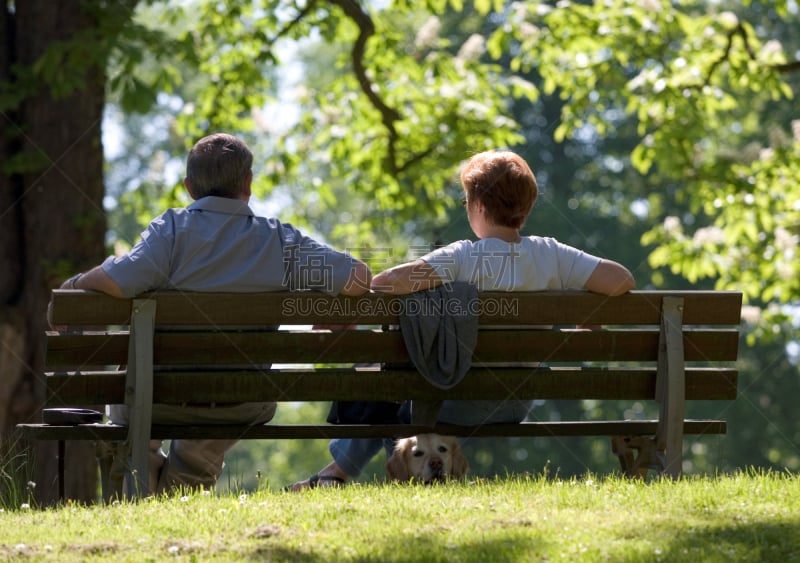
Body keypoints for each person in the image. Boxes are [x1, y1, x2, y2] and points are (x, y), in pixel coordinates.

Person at [287, 149, 634, 490]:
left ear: (479, 206)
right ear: (525, 209)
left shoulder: (464, 256)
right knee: (386, 386)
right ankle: (340, 474)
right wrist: (585, 320)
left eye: (466, 201)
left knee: (383, 384)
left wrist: (349, 305)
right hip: (517, 400)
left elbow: (388, 282)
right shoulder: (552, 254)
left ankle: (341, 475)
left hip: (459, 400)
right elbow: (621, 279)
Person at [53, 133, 372, 495]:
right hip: (241, 401)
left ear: (189, 187)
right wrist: (325, 300)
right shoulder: (280, 241)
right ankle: (184, 481)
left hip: (157, 399)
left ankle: (141, 480)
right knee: (191, 460)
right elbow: (360, 277)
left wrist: (75, 283)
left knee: (132, 414)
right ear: (248, 182)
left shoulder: (170, 232)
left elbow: (117, 281)